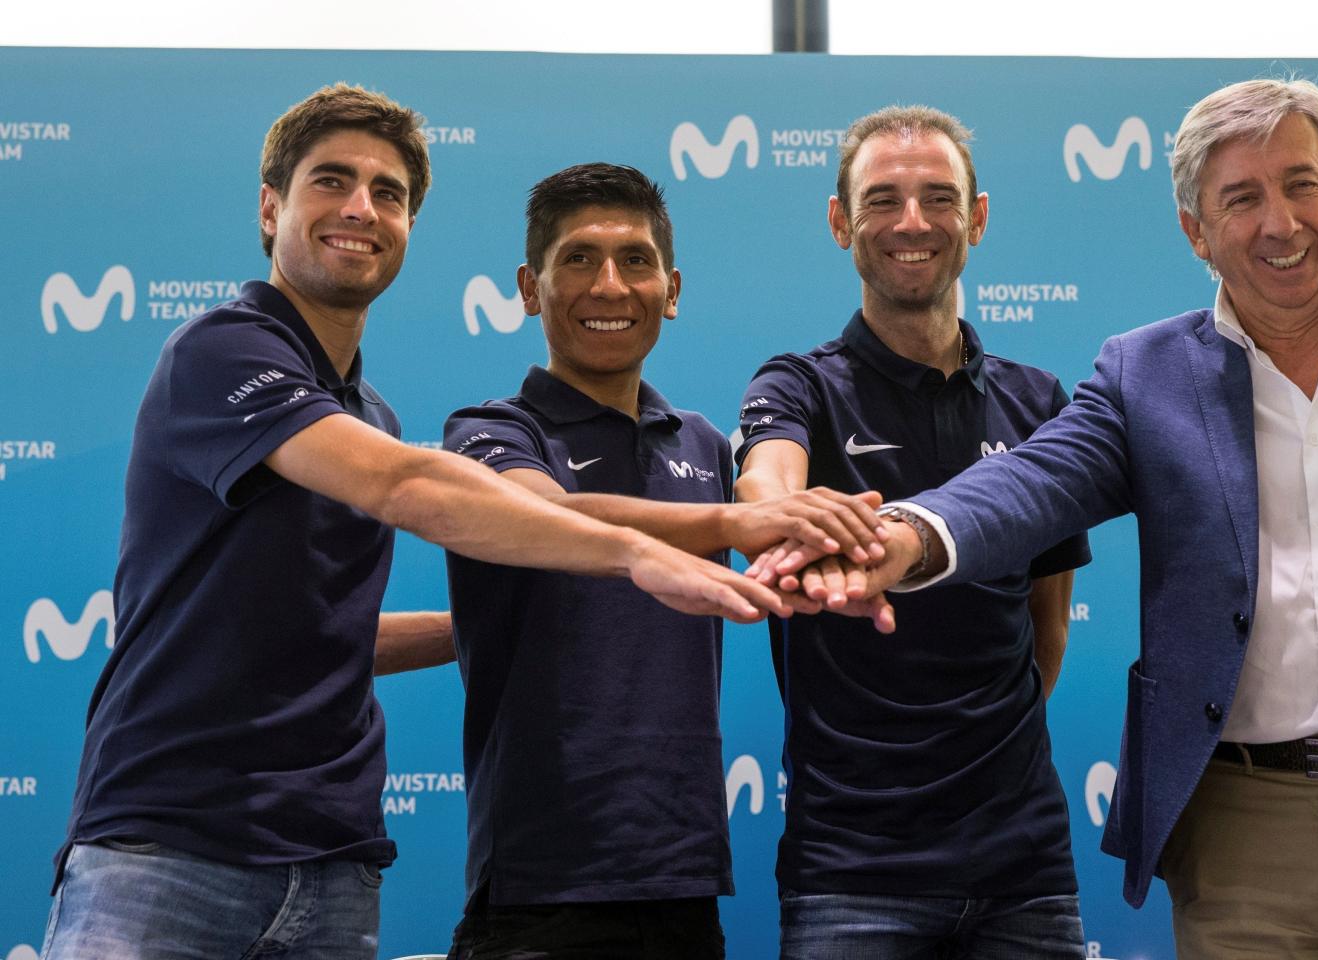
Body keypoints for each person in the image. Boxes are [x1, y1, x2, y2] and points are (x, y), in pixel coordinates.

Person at [835, 78, 1318, 959]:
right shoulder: (1144, 373)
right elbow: (1032, 481)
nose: (1279, 224)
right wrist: (903, 536)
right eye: (1240, 199)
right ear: (1196, 232)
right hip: (1240, 834)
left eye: (1300, 184)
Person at [42, 85, 804, 960]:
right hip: (170, 851)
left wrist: (481, 623)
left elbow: (328, 638)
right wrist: (636, 550)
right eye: (332, 181)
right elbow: (405, 486)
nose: (362, 208)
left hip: (334, 860)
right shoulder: (224, 350)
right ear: (270, 208)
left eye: (389, 193)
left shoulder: (369, 409)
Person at [439, 163, 887, 959]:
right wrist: (734, 519)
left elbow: (771, 550)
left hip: (685, 879)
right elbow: (551, 517)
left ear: (670, 290)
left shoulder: (706, 445)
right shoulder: (489, 432)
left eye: (635, 261)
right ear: (529, 287)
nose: (609, 285)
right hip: (540, 888)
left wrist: (837, 561)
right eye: (578, 259)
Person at [734, 105, 1092, 959]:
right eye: (883, 199)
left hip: (1025, 872)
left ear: (977, 217)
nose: (912, 224)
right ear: (839, 222)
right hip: (849, 874)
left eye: (939, 198)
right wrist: (784, 519)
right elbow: (764, 488)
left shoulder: (1038, 401)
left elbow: (1046, 631)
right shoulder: (799, 386)